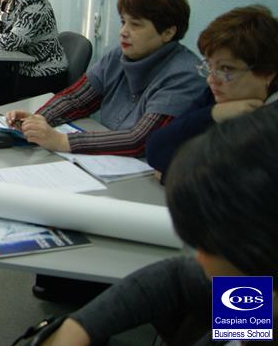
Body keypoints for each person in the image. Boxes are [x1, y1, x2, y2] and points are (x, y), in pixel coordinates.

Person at [38, 105, 278, 346]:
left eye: (209, 246)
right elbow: (176, 279)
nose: (199, 258)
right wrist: (78, 328)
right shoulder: (258, 297)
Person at [6, 0, 206, 157]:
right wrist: (38, 120)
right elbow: (76, 99)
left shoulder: (185, 75)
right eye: (123, 22)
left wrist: (62, 141)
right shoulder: (118, 55)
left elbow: (140, 140)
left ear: (168, 33)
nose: (123, 32)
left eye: (135, 25)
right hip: (107, 161)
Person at [146, 5, 278, 178]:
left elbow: (236, 183)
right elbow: (156, 149)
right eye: (209, 66)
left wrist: (169, 175)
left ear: (268, 72)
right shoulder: (216, 95)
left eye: (226, 68)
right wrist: (213, 113)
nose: (211, 79)